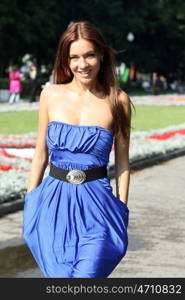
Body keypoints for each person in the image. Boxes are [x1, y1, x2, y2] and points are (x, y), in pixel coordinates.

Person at [23, 21, 132, 278]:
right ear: (66, 60)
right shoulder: (50, 95)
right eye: (74, 57)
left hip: (98, 206)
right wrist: (31, 203)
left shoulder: (119, 101)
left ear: (102, 55)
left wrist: (121, 209)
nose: (82, 64)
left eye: (89, 55)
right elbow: (40, 154)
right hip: (52, 203)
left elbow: (124, 163)